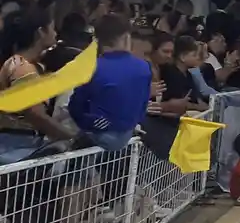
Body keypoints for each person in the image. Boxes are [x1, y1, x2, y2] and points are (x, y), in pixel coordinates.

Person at [67, 13, 151, 152]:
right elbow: (142, 105)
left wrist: (91, 122)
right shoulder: (144, 67)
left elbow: (75, 107)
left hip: (99, 135)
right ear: (126, 38)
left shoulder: (92, 67)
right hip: (127, 134)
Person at [0, 10, 73, 162]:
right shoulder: (22, 68)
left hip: (16, 143)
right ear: (40, 32)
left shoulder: (21, 64)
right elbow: (36, 114)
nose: (55, 33)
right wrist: (70, 136)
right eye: (52, 28)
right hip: (16, 145)